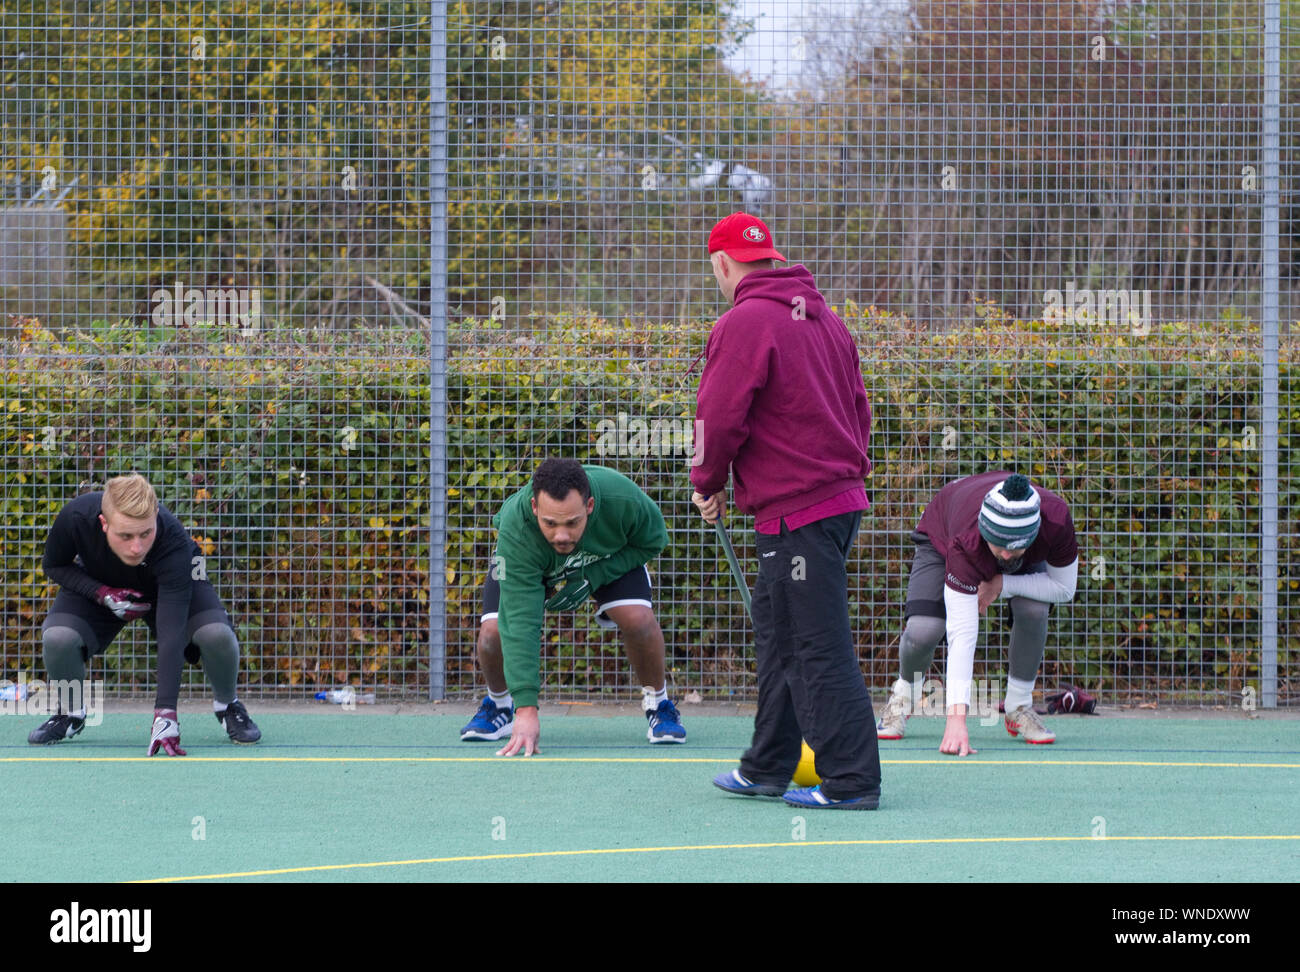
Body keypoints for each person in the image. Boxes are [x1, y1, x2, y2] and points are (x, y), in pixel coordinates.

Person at [691, 211, 881, 810]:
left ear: (723, 264)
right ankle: (766, 766)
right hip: (836, 502)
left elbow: (714, 417)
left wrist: (707, 479)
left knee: (814, 647)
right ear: (770, 256)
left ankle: (852, 782)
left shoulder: (742, 321)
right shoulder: (826, 320)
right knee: (781, 641)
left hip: (796, 514)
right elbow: (860, 409)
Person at [462, 458, 685, 754]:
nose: (561, 535)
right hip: (531, 564)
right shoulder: (516, 528)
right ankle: (500, 705)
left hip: (606, 559)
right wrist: (526, 709)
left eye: (573, 522)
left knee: (639, 620)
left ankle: (658, 703)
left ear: (589, 506)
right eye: (550, 523)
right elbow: (520, 622)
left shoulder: (622, 498)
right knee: (493, 632)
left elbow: (652, 541)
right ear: (534, 508)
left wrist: (594, 576)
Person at [29, 473, 261, 754]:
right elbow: (54, 566)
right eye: (125, 535)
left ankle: (228, 705)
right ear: (103, 524)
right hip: (100, 583)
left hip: (172, 583)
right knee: (57, 638)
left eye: (145, 533)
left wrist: (166, 713)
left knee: (216, 634)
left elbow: (172, 633)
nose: (136, 547)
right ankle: (70, 712)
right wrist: (101, 593)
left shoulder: (174, 541)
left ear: (155, 519)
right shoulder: (76, 517)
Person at [875, 471, 1079, 755]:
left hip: (1021, 554)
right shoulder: (965, 538)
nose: (1005, 556)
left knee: (1034, 609)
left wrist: (1001, 583)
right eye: (999, 546)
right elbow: (962, 632)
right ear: (985, 530)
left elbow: (1063, 588)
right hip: (943, 534)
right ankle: (905, 694)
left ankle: (1018, 705)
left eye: (1014, 548)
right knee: (924, 631)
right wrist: (956, 721)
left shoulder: (1056, 521)